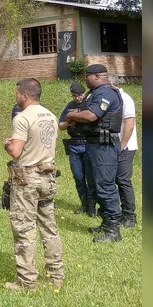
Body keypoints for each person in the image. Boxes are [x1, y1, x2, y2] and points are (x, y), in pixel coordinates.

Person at [3, 78, 65, 292]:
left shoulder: (22, 118)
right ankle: (57, 276)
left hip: (27, 179)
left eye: (16, 92)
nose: (15, 96)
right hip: (48, 177)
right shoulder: (51, 116)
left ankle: (27, 282)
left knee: (24, 228)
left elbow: (16, 151)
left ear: (24, 95)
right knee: (50, 227)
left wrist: (7, 144)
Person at [65, 64, 124, 242]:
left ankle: (114, 230)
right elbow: (82, 111)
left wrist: (72, 116)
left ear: (97, 76)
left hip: (104, 147)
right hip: (93, 144)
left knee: (105, 186)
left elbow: (91, 116)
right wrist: (76, 114)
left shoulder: (107, 93)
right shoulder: (93, 93)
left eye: (87, 77)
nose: (85, 80)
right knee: (97, 185)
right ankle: (106, 223)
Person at [58, 82, 95, 216]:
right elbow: (61, 126)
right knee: (78, 177)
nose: (77, 98)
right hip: (74, 145)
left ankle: (91, 207)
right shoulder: (70, 106)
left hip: (88, 144)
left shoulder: (90, 104)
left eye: (79, 95)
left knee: (90, 177)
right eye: (74, 95)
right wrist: (69, 121)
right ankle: (84, 204)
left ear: (84, 93)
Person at [109, 73, 138, 228]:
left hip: (125, 147)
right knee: (113, 180)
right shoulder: (112, 99)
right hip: (114, 146)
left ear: (111, 84)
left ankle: (130, 216)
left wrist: (122, 145)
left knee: (123, 180)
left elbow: (129, 124)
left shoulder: (125, 99)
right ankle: (118, 213)